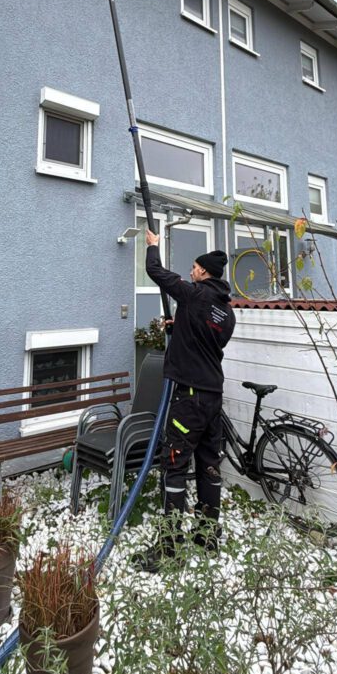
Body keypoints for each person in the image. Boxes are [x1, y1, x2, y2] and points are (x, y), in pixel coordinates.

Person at [134, 229, 236, 572]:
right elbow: (206, 343)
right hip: (212, 399)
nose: (191, 271)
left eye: (194, 267)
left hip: (189, 399)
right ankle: (207, 537)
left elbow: (157, 274)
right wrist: (179, 326)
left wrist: (152, 247)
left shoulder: (194, 295)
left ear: (204, 272)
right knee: (209, 467)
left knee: (173, 468)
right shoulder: (227, 312)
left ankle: (169, 549)